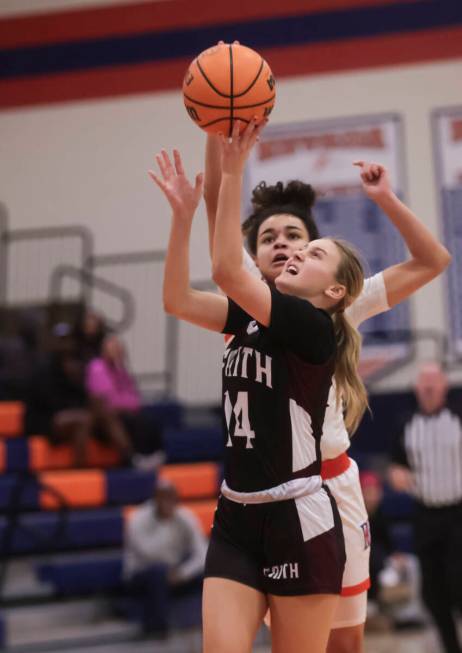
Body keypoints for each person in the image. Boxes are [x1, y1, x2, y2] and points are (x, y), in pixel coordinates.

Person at [202, 127, 450, 652]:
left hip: (328, 487)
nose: (282, 244)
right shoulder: (244, 308)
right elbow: (214, 213)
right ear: (255, 256)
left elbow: (433, 261)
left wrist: (385, 198)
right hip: (263, 498)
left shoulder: (336, 308)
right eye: (268, 238)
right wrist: (215, 130)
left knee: (344, 646)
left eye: (295, 236)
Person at [151, 121, 371, 653]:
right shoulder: (248, 316)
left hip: (300, 516)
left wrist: (231, 169)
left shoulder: (313, 327)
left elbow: (227, 265)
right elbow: (178, 299)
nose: (294, 253)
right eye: (283, 245)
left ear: (336, 291)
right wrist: (182, 217)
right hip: (236, 515)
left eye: (311, 252)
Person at [389, 362, 462, 653]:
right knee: (432, 593)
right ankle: (451, 647)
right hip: (426, 515)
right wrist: (396, 474)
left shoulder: (458, 418)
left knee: (458, 584)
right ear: (417, 388)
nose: (429, 387)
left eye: (434, 381)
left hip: (458, 514)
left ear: (445, 386)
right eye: (424, 382)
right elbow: (396, 465)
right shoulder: (406, 424)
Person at [123, 479, 207, 635]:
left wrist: (182, 573)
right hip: (141, 574)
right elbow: (150, 554)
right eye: (163, 499)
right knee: (158, 573)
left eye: (172, 499)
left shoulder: (186, 517)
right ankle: (157, 631)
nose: (168, 503)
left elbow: (203, 554)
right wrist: (166, 523)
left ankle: (211, 622)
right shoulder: (137, 519)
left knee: (214, 571)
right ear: (155, 500)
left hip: (174, 572)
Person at [86, 334, 164, 468]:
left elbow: (134, 396)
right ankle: (137, 457)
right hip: (106, 418)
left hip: (125, 412)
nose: (117, 350)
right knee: (135, 421)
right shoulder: (97, 367)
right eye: (113, 347)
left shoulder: (120, 369)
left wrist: (129, 403)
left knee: (150, 419)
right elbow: (110, 399)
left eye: (119, 348)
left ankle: (155, 455)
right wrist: (128, 403)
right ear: (104, 350)